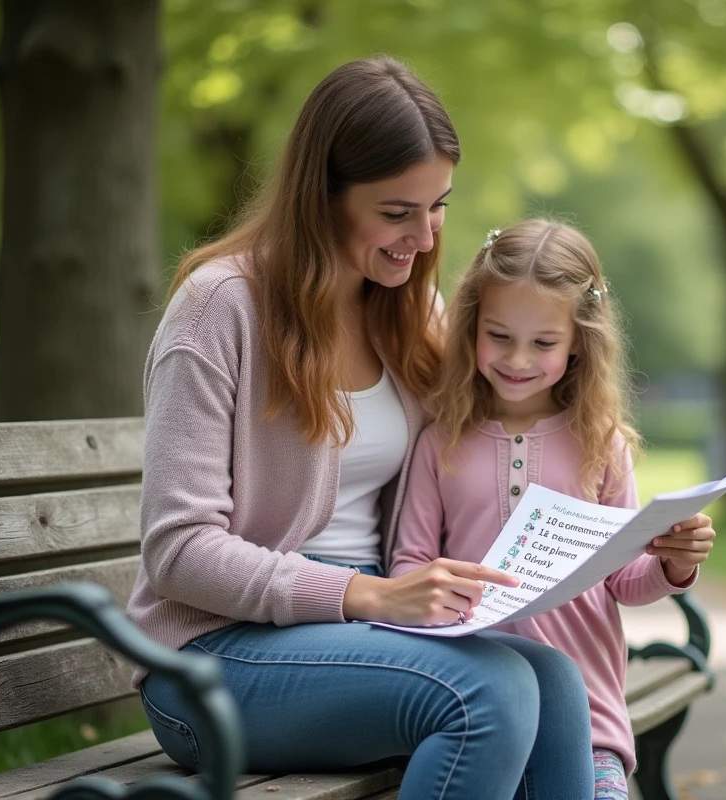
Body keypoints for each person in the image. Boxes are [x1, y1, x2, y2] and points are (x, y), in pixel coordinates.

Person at [128, 56, 607, 800]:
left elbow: (511, 406)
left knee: (550, 677)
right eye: (396, 212)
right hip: (213, 662)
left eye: (438, 206)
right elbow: (178, 551)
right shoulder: (219, 309)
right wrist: (365, 595)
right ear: (322, 196)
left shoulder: (408, 312)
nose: (423, 238)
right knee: (492, 697)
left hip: (371, 636)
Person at [391, 220, 717, 800]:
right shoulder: (441, 441)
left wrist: (672, 565)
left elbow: (624, 582)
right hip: (480, 706)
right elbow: (409, 565)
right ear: (470, 330)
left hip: (591, 720)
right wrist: (441, 595)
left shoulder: (601, 441)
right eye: (499, 336)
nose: (518, 359)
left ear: (578, 344)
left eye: (543, 343)